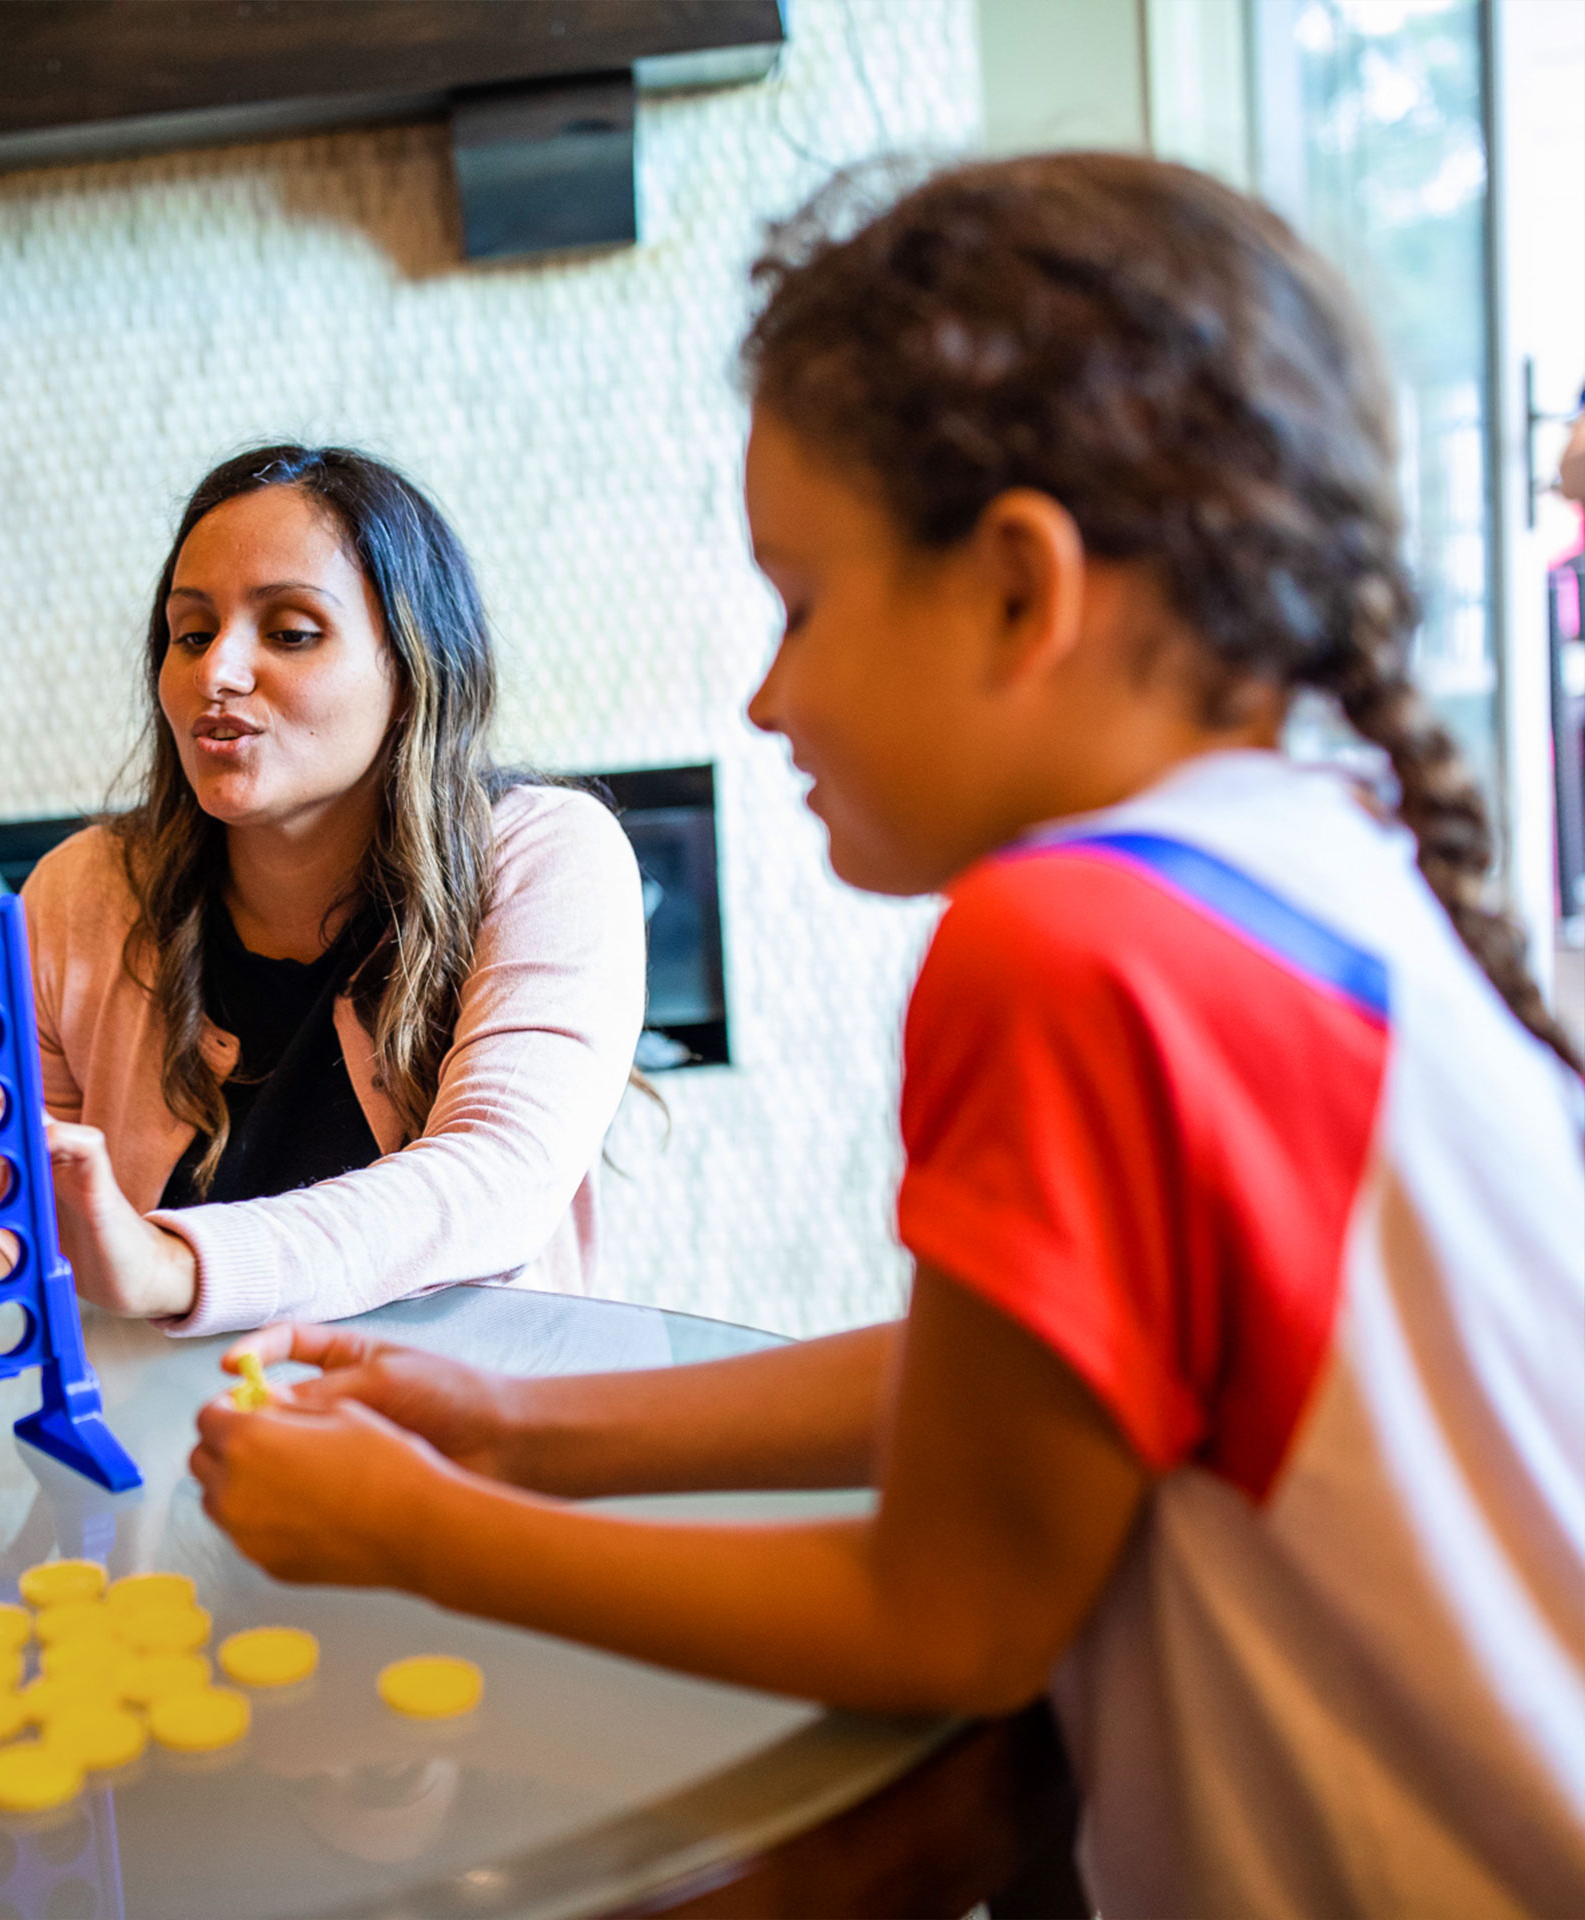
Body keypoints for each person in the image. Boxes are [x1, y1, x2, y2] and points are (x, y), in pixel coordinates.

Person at [190, 154, 1585, 1916]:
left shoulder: (1075, 945)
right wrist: (515, 1422)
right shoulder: (1309, 852)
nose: (769, 695)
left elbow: (951, 1614)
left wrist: (411, 1535)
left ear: (1018, 588)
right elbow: (1019, 1382)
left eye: (802, 603)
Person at [27, 445, 647, 1336]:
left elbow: (497, 1178)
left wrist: (174, 1265)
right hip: (164, 1442)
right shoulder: (81, 889)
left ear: (412, 671)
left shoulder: (546, 853)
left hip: (464, 1439)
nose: (217, 674)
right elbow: (27, 1209)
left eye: (289, 631)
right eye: (191, 634)